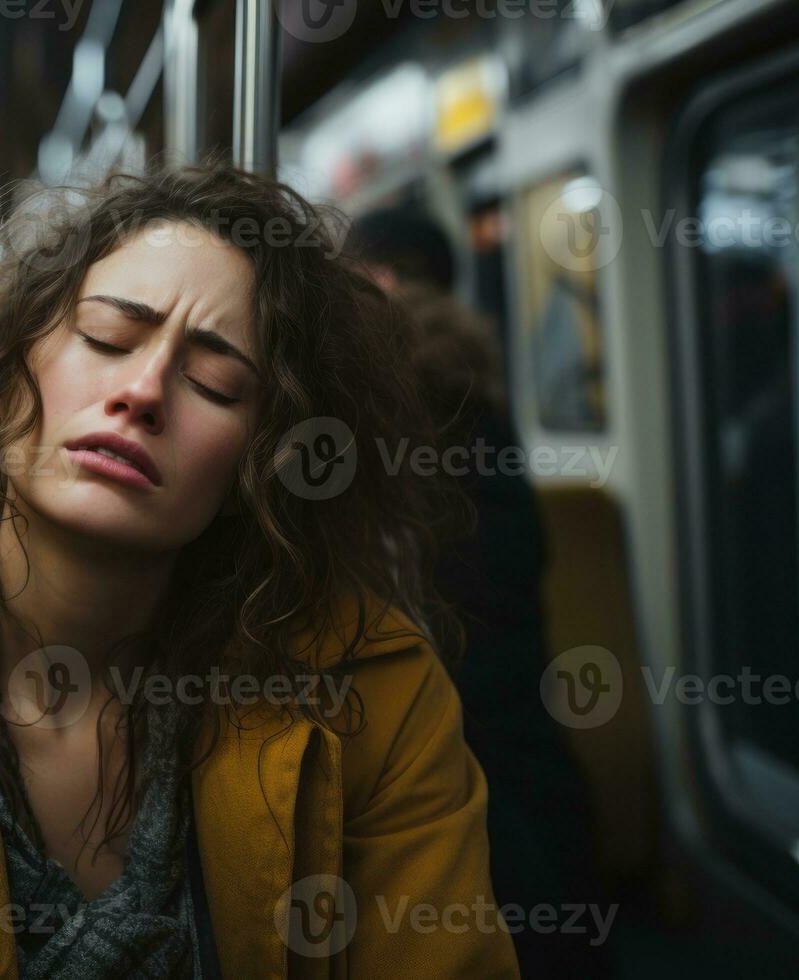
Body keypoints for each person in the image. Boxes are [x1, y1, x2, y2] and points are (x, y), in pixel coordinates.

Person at [0, 165, 521, 979]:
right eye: (105, 338)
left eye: (216, 381)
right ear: (7, 371)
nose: (143, 391)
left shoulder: (375, 690)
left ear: (259, 468)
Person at [348, 206, 610, 977]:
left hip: (455, 715)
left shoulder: (384, 384)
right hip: (519, 713)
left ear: (380, 279)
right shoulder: (473, 380)